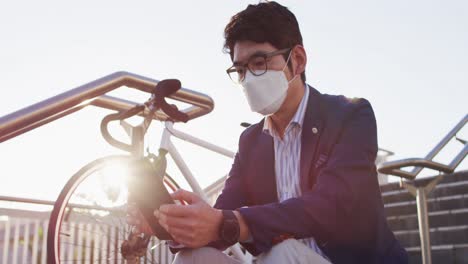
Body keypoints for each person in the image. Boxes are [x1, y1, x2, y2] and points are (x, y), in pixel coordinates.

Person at [128, 1, 408, 263]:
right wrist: (175, 224)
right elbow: (222, 222)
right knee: (193, 258)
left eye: (259, 63)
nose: (249, 78)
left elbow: (332, 206)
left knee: (282, 253)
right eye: (240, 70)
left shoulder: (349, 115)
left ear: (297, 60)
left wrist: (230, 222)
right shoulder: (251, 142)